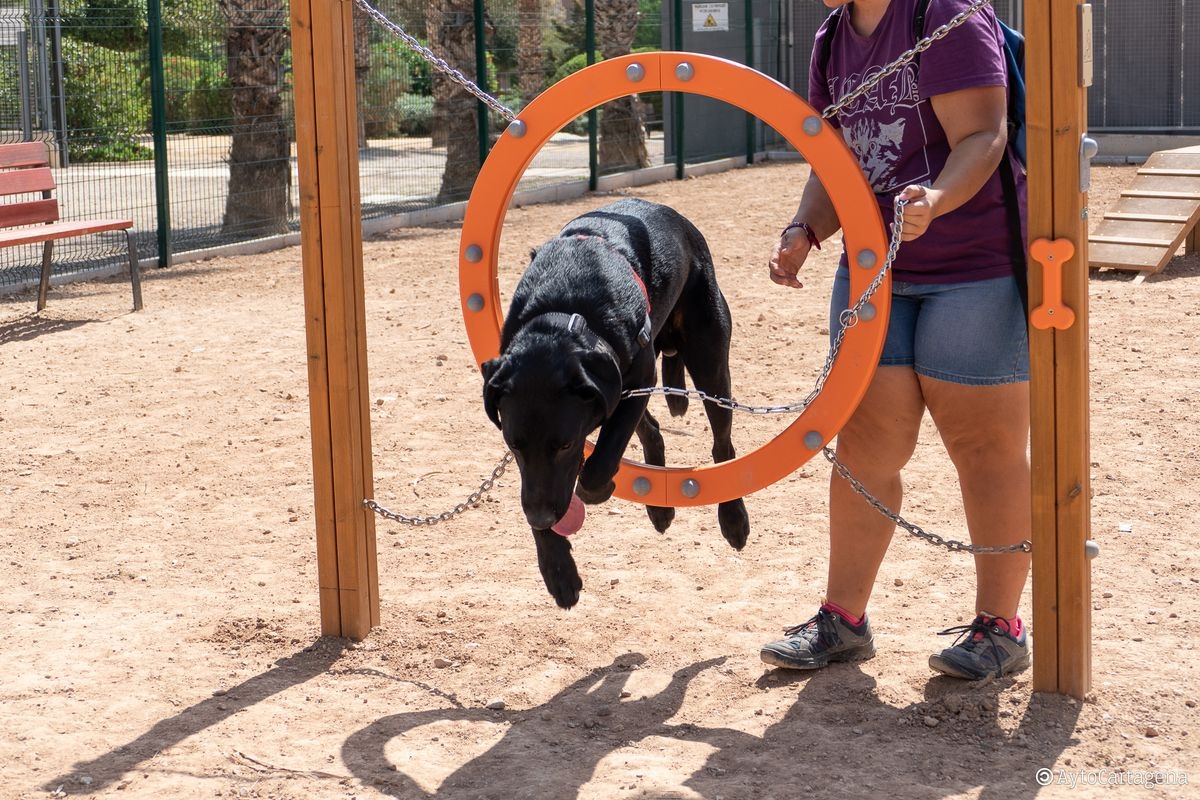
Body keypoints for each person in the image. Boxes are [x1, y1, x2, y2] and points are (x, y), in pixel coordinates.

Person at [759, 0, 1032, 680]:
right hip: (871, 272)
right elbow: (835, 157)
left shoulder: (945, 15)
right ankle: (843, 621)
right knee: (865, 446)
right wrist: (806, 229)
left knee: (984, 447)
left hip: (973, 268)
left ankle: (1000, 629)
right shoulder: (830, 39)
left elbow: (984, 135)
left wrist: (935, 201)